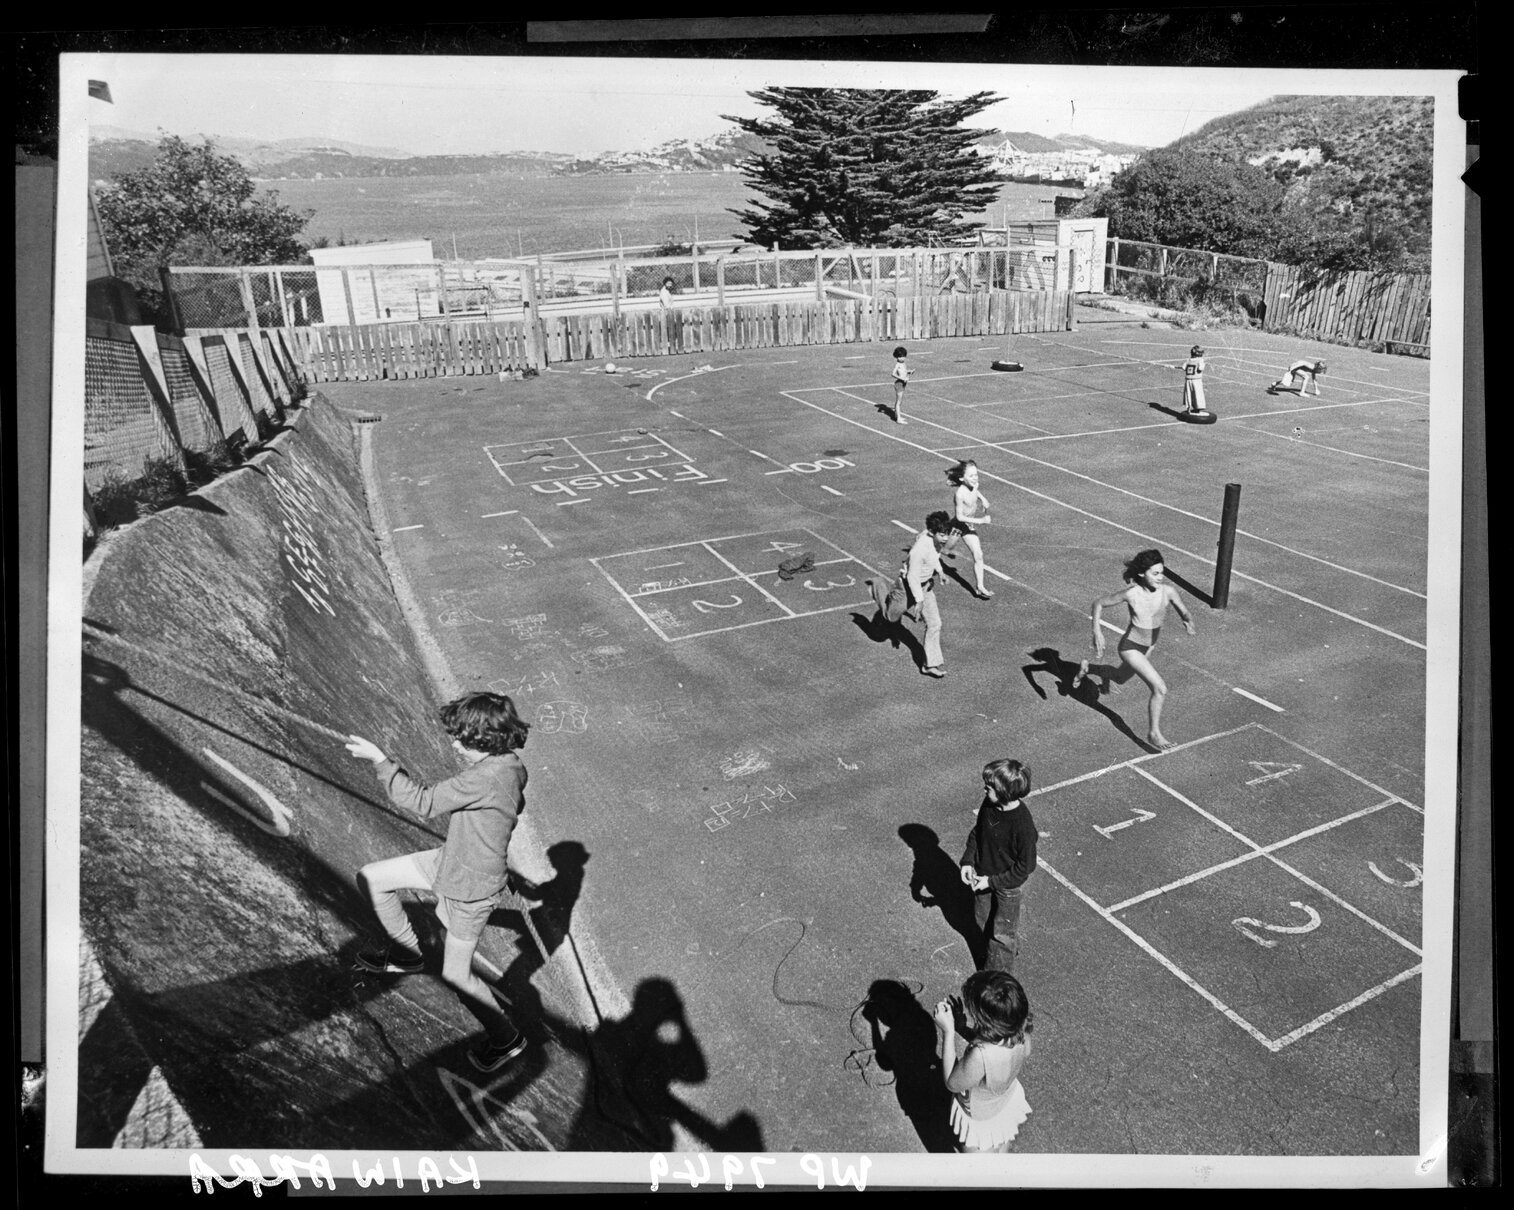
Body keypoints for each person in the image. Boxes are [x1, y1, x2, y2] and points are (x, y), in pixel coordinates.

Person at [344, 692, 533, 1073]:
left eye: (460, 738)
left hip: (472, 888)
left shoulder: (484, 777)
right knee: (374, 878)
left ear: (482, 742)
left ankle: (507, 1038)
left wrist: (380, 761)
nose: (453, 742)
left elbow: (423, 803)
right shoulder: (510, 764)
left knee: (456, 975)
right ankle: (406, 955)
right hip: (450, 861)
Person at [1075, 549, 1196, 751]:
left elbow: (1183, 610)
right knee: (1160, 688)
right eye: (1155, 573)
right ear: (1142, 574)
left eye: (1161, 573)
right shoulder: (1132, 594)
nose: (1160, 577)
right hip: (1130, 647)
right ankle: (1154, 733)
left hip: (1148, 646)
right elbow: (1098, 604)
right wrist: (1097, 631)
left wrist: (1187, 620)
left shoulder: (1169, 592)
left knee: (1120, 678)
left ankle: (1088, 669)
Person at [934, 971, 1034, 1154]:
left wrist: (948, 1032)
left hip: (980, 1116)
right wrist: (963, 1028)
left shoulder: (980, 1056)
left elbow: (951, 1082)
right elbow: (996, 1047)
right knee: (1000, 1145)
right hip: (1004, 1102)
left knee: (978, 1171)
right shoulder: (1020, 1029)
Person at [960, 759, 1037, 973]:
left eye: (989, 787)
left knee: (1002, 934)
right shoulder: (989, 805)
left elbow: (1026, 867)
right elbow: (979, 833)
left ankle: (997, 978)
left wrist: (991, 881)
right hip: (984, 876)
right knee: (982, 920)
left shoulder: (1022, 825)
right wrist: (968, 861)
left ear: (1003, 792)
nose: (984, 789)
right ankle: (1001, 955)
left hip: (1006, 886)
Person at [867, 510, 954, 677]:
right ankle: (877, 586)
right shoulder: (918, 551)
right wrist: (919, 601)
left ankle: (929, 665)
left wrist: (941, 572)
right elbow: (913, 577)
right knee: (890, 617)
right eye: (942, 535)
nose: (945, 538)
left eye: (947, 534)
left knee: (935, 623)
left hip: (925, 586)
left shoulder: (936, 540)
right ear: (931, 532)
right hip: (906, 587)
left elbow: (934, 557)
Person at [944, 460, 994, 600]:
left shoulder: (975, 485)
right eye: (971, 476)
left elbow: (976, 491)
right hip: (957, 527)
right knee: (945, 551)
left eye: (976, 475)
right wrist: (981, 521)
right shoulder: (959, 494)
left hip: (968, 528)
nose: (975, 478)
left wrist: (983, 499)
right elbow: (960, 517)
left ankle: (980, 587)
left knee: (978, 554)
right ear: (961, 478)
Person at [1182, 344, 1208, 414]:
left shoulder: (1188, 360)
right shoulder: (1200, 360)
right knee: (1198, 394)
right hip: (1196, 380)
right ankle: (1198, 408)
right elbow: (1200, 368)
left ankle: (1189, 408)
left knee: (1188, 394)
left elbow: (1183, 367)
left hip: (1188, 380)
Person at [890, 346, 911, 424]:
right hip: (899, 384)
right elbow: (893, 374)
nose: (902, 358)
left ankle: (897, 415)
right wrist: (902, 379)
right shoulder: (898, 364)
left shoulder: (903, 364)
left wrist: (909, 371)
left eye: (904, 356)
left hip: (903, 383)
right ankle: (898, 419)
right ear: (897, 357)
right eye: (900, 356)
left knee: (899, 401)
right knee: (898, 402)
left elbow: (904, 372)